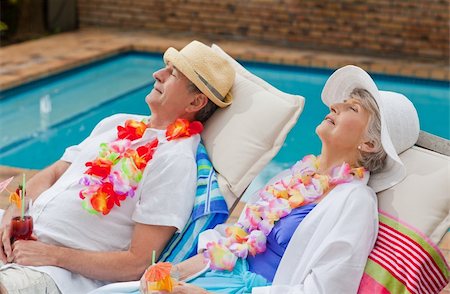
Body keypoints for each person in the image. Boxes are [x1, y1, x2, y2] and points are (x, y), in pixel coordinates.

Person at [139, 65, 420, 294]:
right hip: (216, 276)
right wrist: (177, 269)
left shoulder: (355, 202)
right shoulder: (295, 177)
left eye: (352, 109)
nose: (335, 107)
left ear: (369, 144)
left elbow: (326, 290)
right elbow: (238, 239)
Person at [0, 40, 236, 294]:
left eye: (173, 74)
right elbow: (55, 171)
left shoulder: (174, 161)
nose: (158, 74)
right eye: (165, 67)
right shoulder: (117, 122)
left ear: (195, 102)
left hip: (52, 273)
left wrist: (51, 255)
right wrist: (13, 212)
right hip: (15, 243)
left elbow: (138, 262)